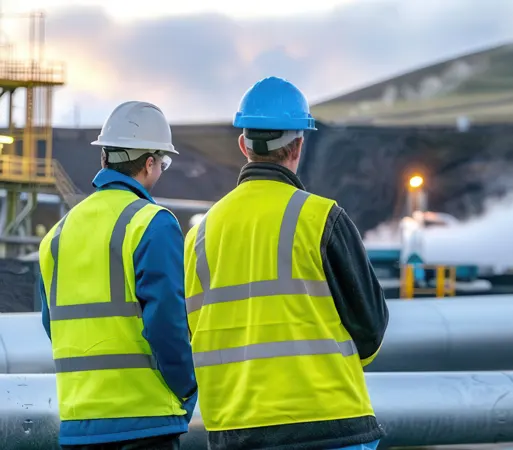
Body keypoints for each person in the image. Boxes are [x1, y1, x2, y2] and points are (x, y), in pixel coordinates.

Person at [183, 77, 389, 450]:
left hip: (235, 428)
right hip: (329, 424)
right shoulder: (322, 218)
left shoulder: (199, 234)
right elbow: (371, 330)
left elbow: (193, 332)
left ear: (244, 145)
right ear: (299, 145)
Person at [37, 101, 198, 450]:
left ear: (105, 158)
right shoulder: (152, 223)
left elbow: (53, 323)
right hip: (145, 423)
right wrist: (187, 389)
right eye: (164, 164)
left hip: (78, 422)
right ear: (150, 163)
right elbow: (168, 323)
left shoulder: (56, 236)